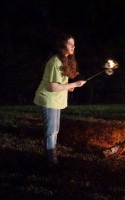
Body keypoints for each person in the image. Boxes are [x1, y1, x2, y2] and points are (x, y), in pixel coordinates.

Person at [33, 33, 86, 165]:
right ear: (63, 45)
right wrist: (74, 84)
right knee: (51, 131)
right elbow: (53, 87)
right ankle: (51, 161)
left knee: (54, 130)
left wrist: (68, 87)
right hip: (48, 98)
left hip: (56, 100)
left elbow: (60, 84)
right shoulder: (55, 62)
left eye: (74, 44)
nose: (73, 46)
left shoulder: (65, 60)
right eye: (70, 44)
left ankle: (50, 156)